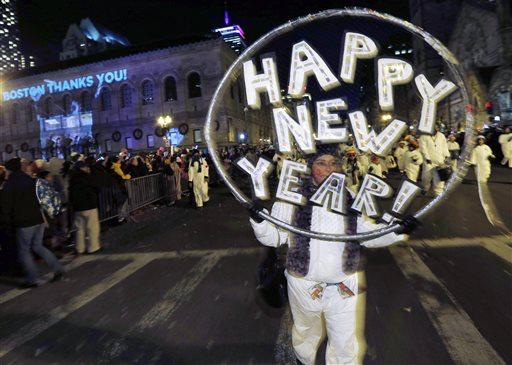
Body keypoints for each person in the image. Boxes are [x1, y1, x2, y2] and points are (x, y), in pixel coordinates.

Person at [249, 146, 413, 365]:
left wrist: (396, 231)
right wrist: (260, 221)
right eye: (321, 163)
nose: (328, 168)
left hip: (343, 284)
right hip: (304, 283)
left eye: (333, 163)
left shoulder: (352, 195)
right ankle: (304, 360)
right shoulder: (291, 198)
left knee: (345, 342)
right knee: (306, 332)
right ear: (310, 167)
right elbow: (274, 238)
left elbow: (367, 234)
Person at [1, 158, 64, 287]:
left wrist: (6, 222)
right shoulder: (31, 180)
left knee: (24, 251)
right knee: (38, 246)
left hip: (23, 222)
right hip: (38, 218)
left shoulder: (10, 184)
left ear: (10, 169)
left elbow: (6, 207)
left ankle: (32, 278)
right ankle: (58, 269)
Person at [68, 161, 101, 254]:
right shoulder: (87, 177)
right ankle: (93, 247)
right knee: (92, 227)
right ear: (83, 168)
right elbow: (96, 186)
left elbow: (70, 192)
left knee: (79, 229)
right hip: (89, 204)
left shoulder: (72, 178)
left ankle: (79, 248)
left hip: (78, 206)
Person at [419, 125, 450, 195]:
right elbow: (423, 149)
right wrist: (427, 158)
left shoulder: (441, 136)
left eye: (436, 127)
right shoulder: (423, 136)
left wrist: (446, 156)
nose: (435, 128)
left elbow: (444, 146)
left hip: (440, 161)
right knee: (426, 178)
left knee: (439, 179)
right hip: (428, 162)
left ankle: (438, 193)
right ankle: (425, 188)